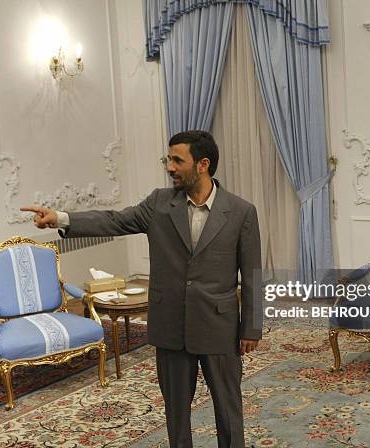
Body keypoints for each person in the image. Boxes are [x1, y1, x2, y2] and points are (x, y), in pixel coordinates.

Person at [21, 130, 263, 447]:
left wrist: (252, 327)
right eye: (169, 159)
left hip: (219, 326)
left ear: (203, 164)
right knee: (177, 415)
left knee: (229, 412)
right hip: (171, 327)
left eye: (178, 160)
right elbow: (114, 220)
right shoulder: (159, 204)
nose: (170, 167)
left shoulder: (241, 212)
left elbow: (254, 274)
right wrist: (61, 218)